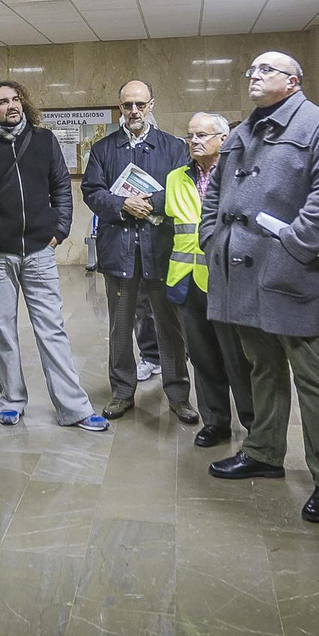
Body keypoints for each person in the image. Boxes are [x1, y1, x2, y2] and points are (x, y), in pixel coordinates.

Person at [200, 52, 319, 524]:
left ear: (292, 80)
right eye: (252, 70)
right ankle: (264, 453)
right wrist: (212, 238)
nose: (254, 75)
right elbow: (216, 195)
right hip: (241, 273)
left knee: (314, 375)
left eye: (264, 70)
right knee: (261, 366)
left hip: (294, 274)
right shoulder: (244, 131)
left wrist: (293, 245)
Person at [0, 80, 108, 432]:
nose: (12, 105)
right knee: (3, 330)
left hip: (39, 250)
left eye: (16, 99)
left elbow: (61, 187)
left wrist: (60, 230)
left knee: (52, 330)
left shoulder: (43, 140)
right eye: (3, 101)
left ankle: (74, 407)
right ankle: (11, 400)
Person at [82, 79, 195, 423]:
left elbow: (184, 188)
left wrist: (150, 204)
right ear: (120, 108)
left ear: (151, 104)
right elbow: (92, 191)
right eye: (127, 105)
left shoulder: (173, 147)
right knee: (119, 326)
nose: (133, 111)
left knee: (169, 327)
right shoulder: (103, 149)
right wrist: (121, 204)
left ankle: (178, 395)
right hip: (119, 252)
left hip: (160, 250)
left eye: (140, 105)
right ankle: (121, 392)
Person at [165, 112, 255, 448]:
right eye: (190, 136)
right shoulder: (176, 177)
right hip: (188, 281)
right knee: (202, 358)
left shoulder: (239, 175)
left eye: (202, 135)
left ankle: (253, 425)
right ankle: (215, 421)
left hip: (228, 281)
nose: (195, 142)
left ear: (223, 138)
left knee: (237, 359)